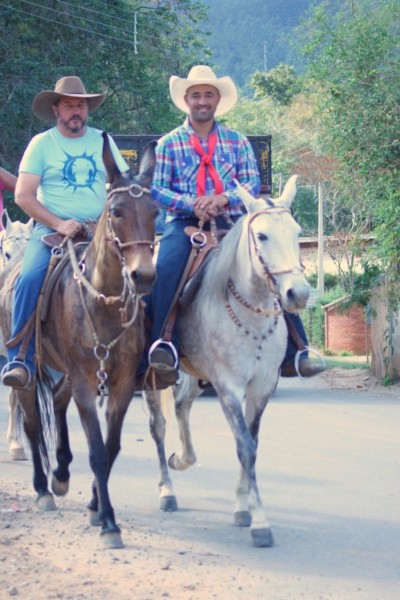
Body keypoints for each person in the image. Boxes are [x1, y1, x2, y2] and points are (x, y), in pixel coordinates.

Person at [140, 65, 324, 386]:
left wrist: (223, 199)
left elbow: (252, 181)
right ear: (186, 99)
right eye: (196, 94)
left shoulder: (237, 142)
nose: (202, 100)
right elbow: (156, 189)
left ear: (217, 100)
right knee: (166, 269)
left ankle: (298, 348)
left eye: (208, 95)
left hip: (233, 222)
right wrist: (192, 203)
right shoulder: (167, 143)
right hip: (185, 223)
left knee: (271, 262)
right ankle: (163, 344)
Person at [1, 76, 128, 389]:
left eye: (81, 105)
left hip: (99, 229)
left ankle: (138, 354)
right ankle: (21, 357)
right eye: (70, 105)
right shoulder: (42, 144)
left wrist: (104, 221)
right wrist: (59, 223)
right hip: (51, 228)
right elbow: (23, 196)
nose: (76, 111)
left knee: (139, 274)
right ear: (56, 109)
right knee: (29, 277)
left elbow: (124, 186)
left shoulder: (103, 140)